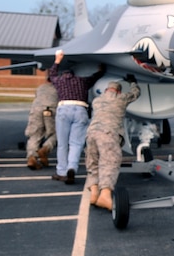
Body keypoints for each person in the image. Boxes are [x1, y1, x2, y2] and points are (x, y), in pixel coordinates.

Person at [48, 50, 105, 185]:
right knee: (76, 143)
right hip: (80, 109)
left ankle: (61, 171)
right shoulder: (82, 81)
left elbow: (52, 75)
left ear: (64, 74)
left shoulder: (59, 81)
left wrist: (57, 60)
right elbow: (95, 76)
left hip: (64, 109)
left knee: (63, 144)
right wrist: (101, 69)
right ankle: (72, 168)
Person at [85, 79, 140, 210]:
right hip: (108, 134)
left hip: (91, 134)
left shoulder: (97, 101)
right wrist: (133, 82)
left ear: (106, 90)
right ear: (118, 91)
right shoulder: (121, 98)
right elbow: (136, 93)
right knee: (109, 163)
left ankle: (94, 192)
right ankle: (105, 194)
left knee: (93, 163)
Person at [24, 74, 58, 170]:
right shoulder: (59, 88)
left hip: (36, 110)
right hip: (51, 110)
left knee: (35, 134)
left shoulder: (40, 88)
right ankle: (45, 149)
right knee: (55, 133)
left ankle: (31, 157)